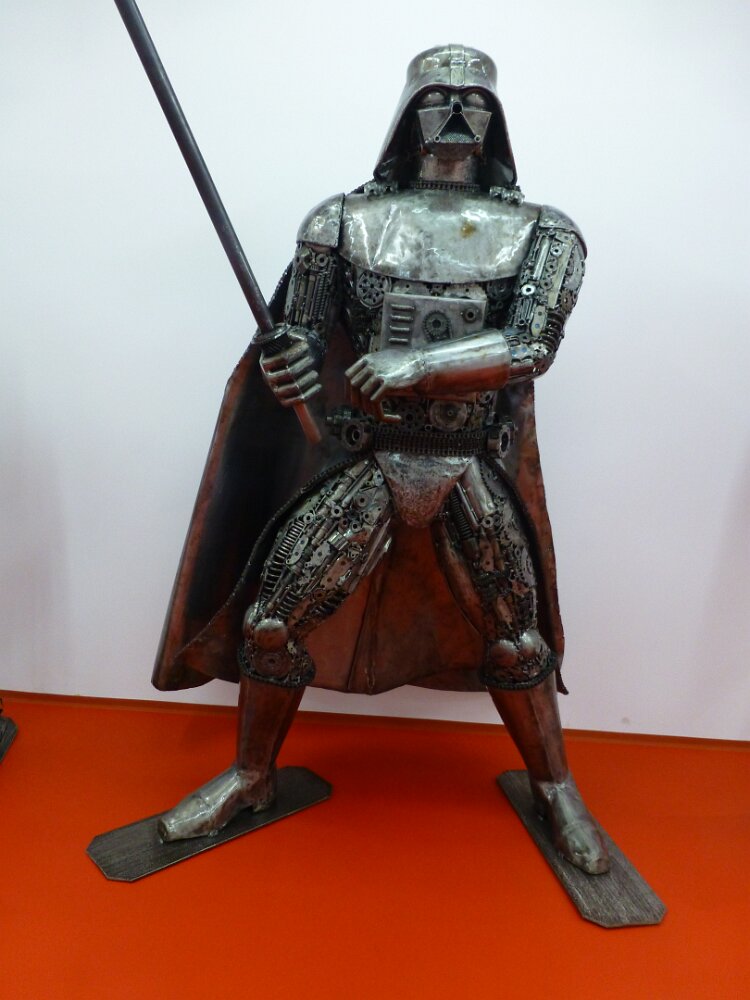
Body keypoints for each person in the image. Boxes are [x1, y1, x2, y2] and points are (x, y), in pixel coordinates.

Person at [153, 45, 609, 875]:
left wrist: (418, 366)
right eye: (439, 98)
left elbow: (530, 346)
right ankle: (252, 775)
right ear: (408, 113)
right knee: (272, 622)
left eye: (475, 101)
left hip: (463, 460)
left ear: (498, 120)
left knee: (517, 639)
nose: (457, 116)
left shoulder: (546, 234)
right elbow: (303, 330)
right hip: (368, 458)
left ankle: (555, 787)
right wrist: (289, 364)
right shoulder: (341, 222)